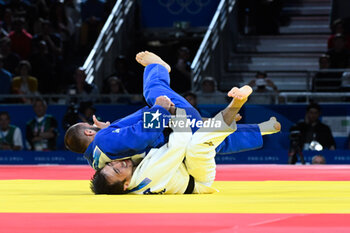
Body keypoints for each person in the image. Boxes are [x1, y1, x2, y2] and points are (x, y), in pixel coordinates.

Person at [65, 51, 279, 170]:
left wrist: (109, 128)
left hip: (174, 144)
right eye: (90, 125)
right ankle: (158, 67)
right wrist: (160, 108)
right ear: (88, 132)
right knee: (153, 92)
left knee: (211, 139)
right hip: (172, 125)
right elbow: (140, 137)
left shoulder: (98, 162)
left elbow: (129, 143)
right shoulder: (103, 142)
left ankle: (262, 129)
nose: (93, 125)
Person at [90, 87, 281, 194]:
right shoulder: (147, 174)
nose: (117, 163)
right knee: (198, 143)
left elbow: (135, 140)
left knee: (202, 135)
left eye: (111, 164)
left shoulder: (121, 177)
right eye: (116, 169)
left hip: (182, 167)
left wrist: (113, 129)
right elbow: (179, 142)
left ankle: (236, 122)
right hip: (197, 178)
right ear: (125, 185)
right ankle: (234, 106)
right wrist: (167, 111)